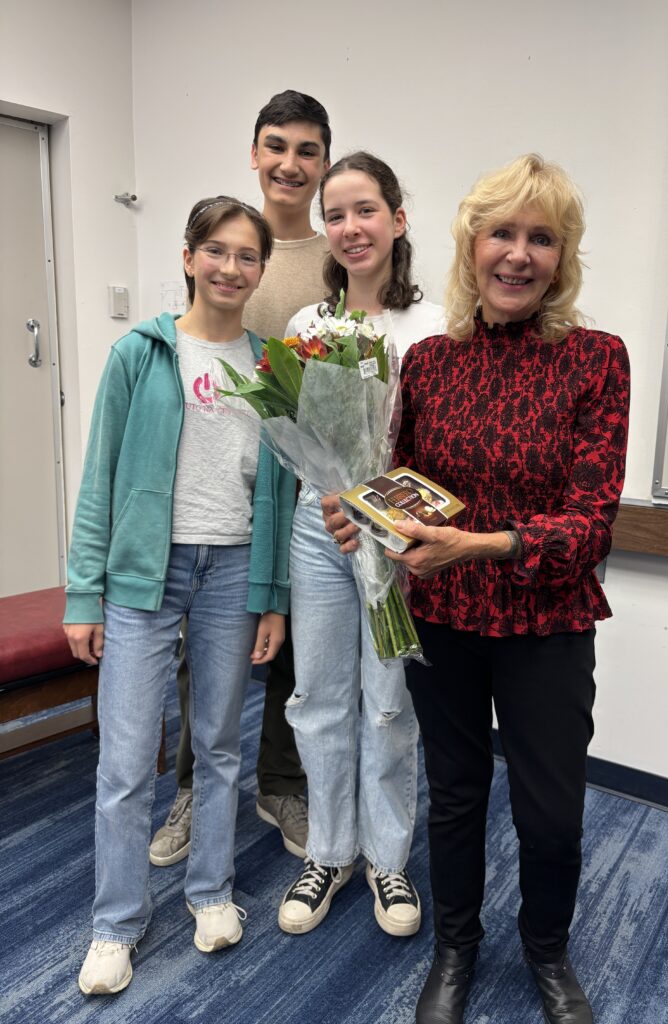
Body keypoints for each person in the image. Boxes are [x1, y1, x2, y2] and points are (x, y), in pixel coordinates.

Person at [324, 154, 630, 1024]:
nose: (519, 255)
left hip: (549, 623)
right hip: (445, 621)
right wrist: (360, 516)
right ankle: (455, 949)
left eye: (542, 238)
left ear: (562, 257)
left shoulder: (597, 360)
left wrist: (481, 545)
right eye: (502, 233)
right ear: (470, 247)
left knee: (551, 814)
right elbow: (398, 487)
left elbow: (590, 523)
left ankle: (547, 952)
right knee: (455, 799)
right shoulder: (428, 362)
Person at [64, 196, 295, 995]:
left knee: (220, 744)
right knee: (127, 759)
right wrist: (83, 594)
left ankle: (211, 892)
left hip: (232, 572)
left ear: (260, 269)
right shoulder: (140, 352)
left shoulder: (274, 366)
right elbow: (100, 478)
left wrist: (273, 596)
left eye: (247, 256)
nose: (231, 268)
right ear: (190, 258)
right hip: (145, 575)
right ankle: (116, 923)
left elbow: (279, 493)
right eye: (217, 252)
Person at [150, 90, 331, 869]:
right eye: (276, 146)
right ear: (254, 154)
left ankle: (281, 784)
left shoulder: (336, 255)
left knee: (295, 648)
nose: (290, 163)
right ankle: (194, 788)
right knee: (208, 653)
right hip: (223, 489)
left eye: (307, 150)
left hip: (307, 483)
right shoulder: (233, 242)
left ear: (323, 163)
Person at [277, 152, 444, 937]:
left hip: (394, 537)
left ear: (397, 219)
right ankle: (330, 851)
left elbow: (442, 446)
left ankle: (387, 858)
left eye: (365, 210)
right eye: (335, 214)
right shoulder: (306, 328)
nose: (350, 228)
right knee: (317, 697)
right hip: (319, 528)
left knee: (386, 702)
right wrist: (332, 488)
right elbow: (297, 438)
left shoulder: (435, 325)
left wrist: (383, 509)